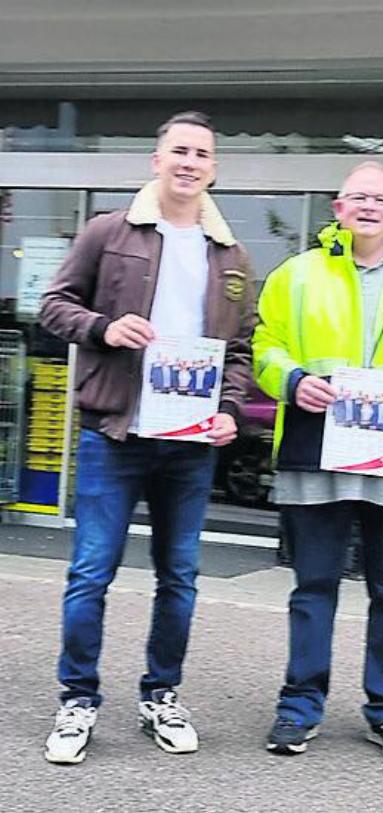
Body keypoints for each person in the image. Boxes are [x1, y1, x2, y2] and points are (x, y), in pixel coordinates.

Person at [40, 110, 256, 764]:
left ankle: (161, 694)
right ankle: (78, 699)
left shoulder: (233, 256)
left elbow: (239, 352)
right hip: (114, 432)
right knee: (90, 573)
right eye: (179, 151)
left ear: (213, 168)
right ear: (156, 160)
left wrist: (230, 409)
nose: (190, 162)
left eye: (202, 154)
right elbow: (54, 305)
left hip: (188, 442)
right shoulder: (110, 231)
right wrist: (105, 327)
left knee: (180, 577)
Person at [253, 161, 383, 762]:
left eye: (382, 199)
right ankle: (298, 707)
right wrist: (290, 381)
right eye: (357, 197)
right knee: (312, 587)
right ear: (338, 209)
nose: (368, 206)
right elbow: (265, 344)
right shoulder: (295, 274)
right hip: (316, 450)